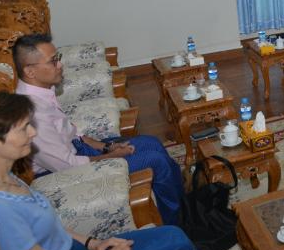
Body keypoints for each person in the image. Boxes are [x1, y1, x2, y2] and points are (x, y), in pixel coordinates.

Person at [0, 91, 216, 250]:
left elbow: (49, 227)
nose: (33, 133)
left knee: (173, 237)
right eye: (24, 128)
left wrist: (92, 243)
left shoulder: (5, 176)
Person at [13, 34, 183, 225]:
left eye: (58, 58)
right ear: (30, 71)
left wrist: (106, 147)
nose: (60, 65)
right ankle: (175, 222)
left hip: (78, 150)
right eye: (53, 61)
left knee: (152, 143)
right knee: (156, 160)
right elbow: (66, 166)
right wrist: (112, 156)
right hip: (66, 173)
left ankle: (183, 204)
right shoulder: (33, 114)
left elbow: (72, 132)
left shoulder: (42, 90)